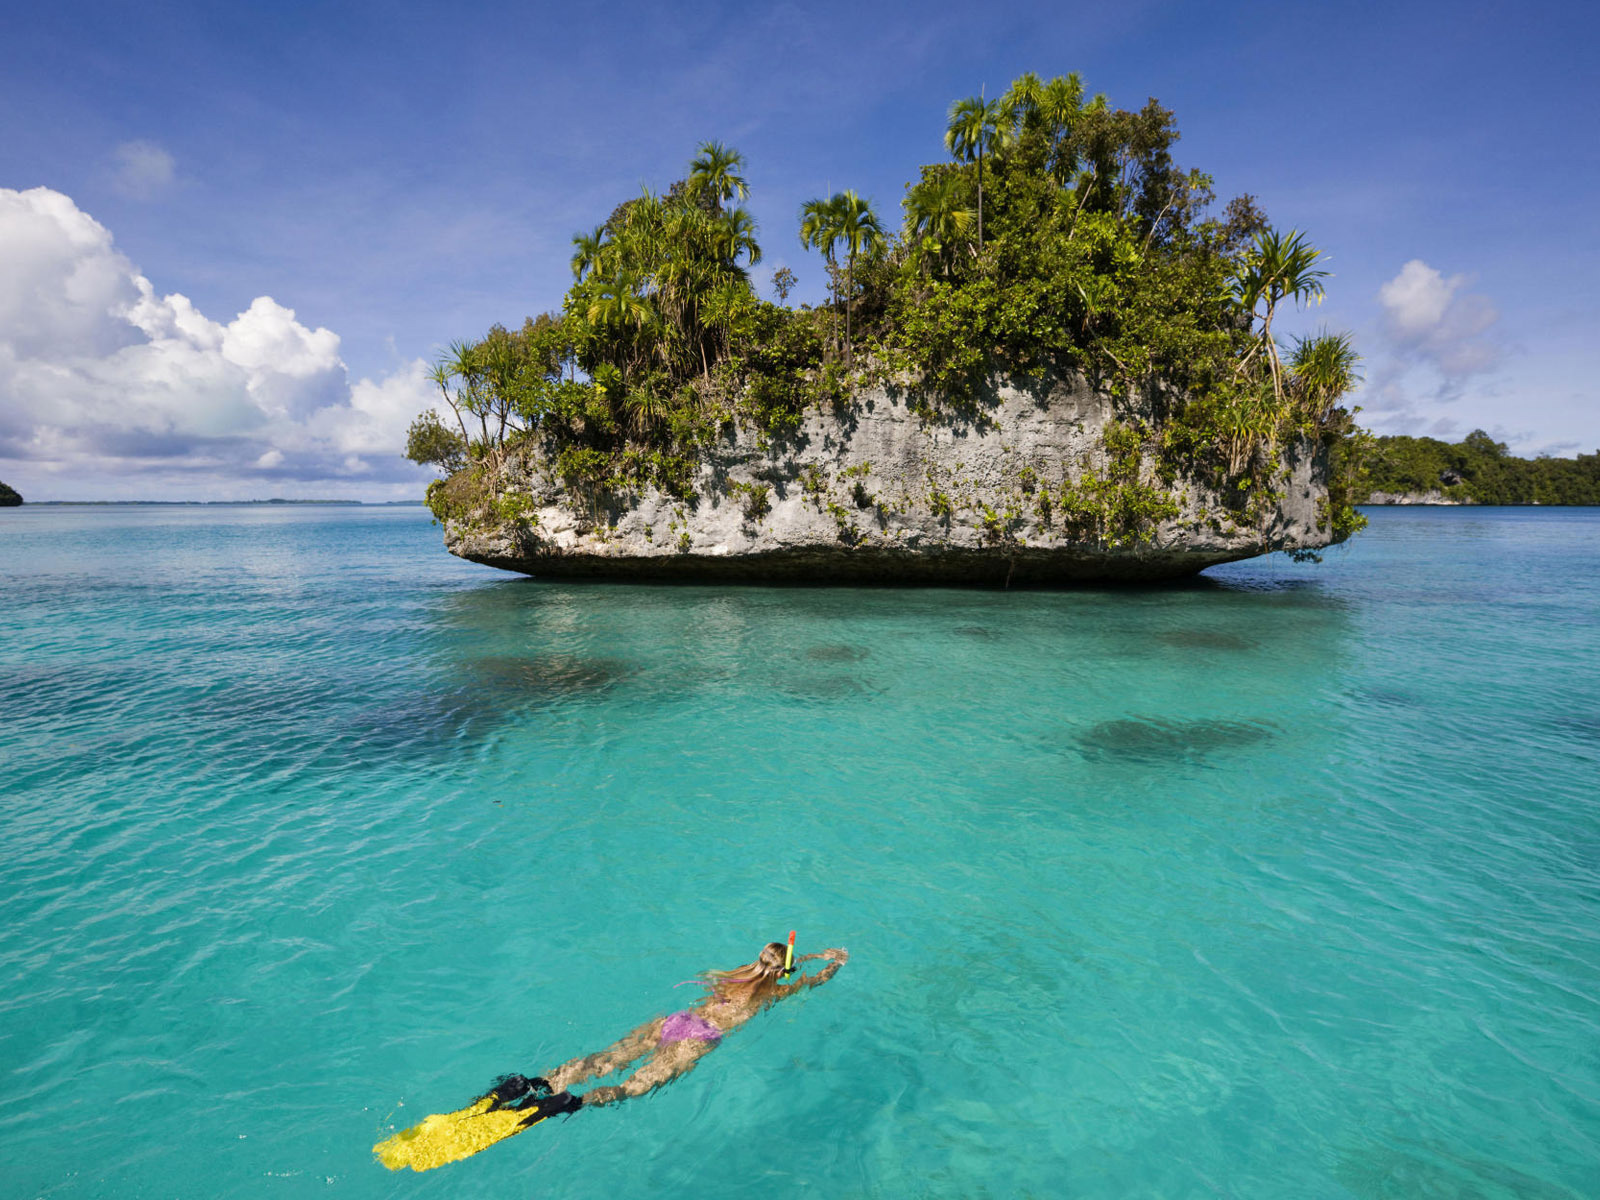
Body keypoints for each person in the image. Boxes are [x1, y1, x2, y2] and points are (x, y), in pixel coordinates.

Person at [487, 941, 848, 1115]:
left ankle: (539, 1083)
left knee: (607, 1059)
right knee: (637, 1084)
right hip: (700, 1038)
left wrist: (796, 957)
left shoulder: (736, 976)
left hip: (678, 1020)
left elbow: (771, 962)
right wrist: (832, 962)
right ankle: (571, 1102)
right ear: (783, 973)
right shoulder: (776, 993)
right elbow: (814, 980)